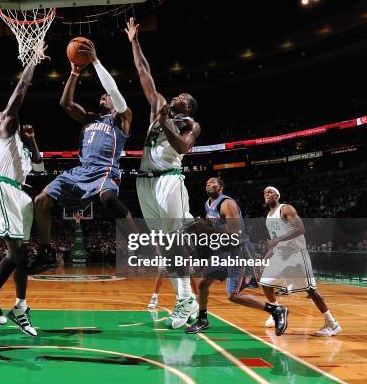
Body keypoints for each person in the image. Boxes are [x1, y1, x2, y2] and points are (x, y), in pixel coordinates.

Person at [34, 39, 135, 274]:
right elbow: (65, 103)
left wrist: (96, 61)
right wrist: (74, 73)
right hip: (80, 172)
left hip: (104, 172)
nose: (104, 96)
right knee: (41, 201)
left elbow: (114, 92)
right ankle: (46, 253)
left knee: (109, 200)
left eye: (107, 96)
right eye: (102, 95)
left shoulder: (122, 119)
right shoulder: (90, 119)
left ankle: (138, 244)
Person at [126, 17, 199, 328]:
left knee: (176, 241)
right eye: (175, 95)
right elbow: (145, 72)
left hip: (169, 180)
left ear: (189, 107)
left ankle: (186, 300)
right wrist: (134, 41)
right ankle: (185, 301)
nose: (175, 97)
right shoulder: (159, 107)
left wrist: (166, 120)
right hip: (144, 182)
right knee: (165, 247)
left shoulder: (189, 124)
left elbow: (183, 148)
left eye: (182, 97)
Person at [0, 56, 46, 337]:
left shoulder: (19, 141)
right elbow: (19, 94)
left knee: (22, 256)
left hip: (21, 195)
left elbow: (41, 167)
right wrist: (32, 64)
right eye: (1, 117)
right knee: (16, 252)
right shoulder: (4, 134)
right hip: (3, 189)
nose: (5, 117)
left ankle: (21, 306)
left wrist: (31, 140)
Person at [185, 178, 290, 335]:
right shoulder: (208, 204)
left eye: (212, 182)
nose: (208, 184)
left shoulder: (228, 204)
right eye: (206, 182)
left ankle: (276, 310)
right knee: (203, 285)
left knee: (233, 296)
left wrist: (205, 227)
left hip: (238, 250)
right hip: (223, 251)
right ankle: (203, 320)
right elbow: (213, 227)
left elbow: (236, 234)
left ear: (221, 187)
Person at [261, 186, 341, 337]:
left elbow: (300, 228)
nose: (267, 194)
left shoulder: (285, 209)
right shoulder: (268, 216)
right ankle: (276, 312)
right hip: (280, 256)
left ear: (277, 195)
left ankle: (332, 323)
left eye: (270, 192)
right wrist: (265, 257)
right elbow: (274, 241)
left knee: (310, 289)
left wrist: (278, 239)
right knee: (265, 283)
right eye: (265, 193)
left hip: (296, 254)